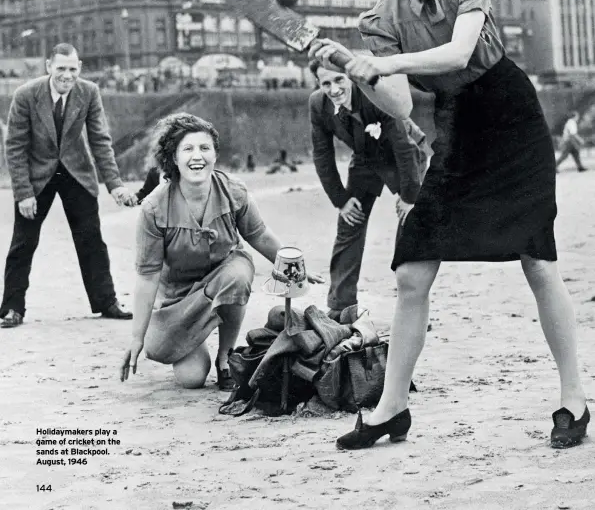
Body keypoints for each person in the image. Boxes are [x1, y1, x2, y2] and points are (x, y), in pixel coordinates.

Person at [311, 0, 589, 450]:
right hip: (457, 126)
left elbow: (461, 52)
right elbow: (403, 104)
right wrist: (363, 71)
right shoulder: (378, 17)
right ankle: (391, 409)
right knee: (412, 270)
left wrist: (384, 64)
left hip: (511, 116)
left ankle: (573, 400)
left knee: (537, 262)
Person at [119, 113, 323, 391]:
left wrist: (295, 266)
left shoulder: (234, 191)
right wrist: (136, 338)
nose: (197, 156)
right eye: (187, 149)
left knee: (238, 274)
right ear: (173, 158)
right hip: (178, 297)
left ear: (215, 154)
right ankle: (197, 334)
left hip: (226, 274)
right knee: (191, 379)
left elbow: (259, 235)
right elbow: (147, 277)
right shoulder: (154, 208)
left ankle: (226, 357)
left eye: (205, 148)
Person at [0, 43, 134, 329]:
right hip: (37, 175)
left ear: (80, 68)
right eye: (60, 68)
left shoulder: (89, 92)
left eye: (72, 69)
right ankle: (12, 308)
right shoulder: (26, 95)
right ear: (49, 66)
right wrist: (23, 193)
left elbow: (100, 140)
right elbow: (14, 147)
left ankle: (106, 301)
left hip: (76, 172)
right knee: (23, 242)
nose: (66, 75)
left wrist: (115, 185)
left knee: (91, 239)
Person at [309, 61, 429, 321]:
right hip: (365, 159)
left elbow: (404, 148)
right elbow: (322, 154)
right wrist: (341, 200)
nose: (334, 89)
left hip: (405, 153)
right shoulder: (318, 105)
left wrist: (409, 198)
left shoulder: (373, 97)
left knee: (411, 223)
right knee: (349, 222)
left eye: (339, 80)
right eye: (326, 83)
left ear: (350, 77)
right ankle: (342, 307)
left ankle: (410, 308)